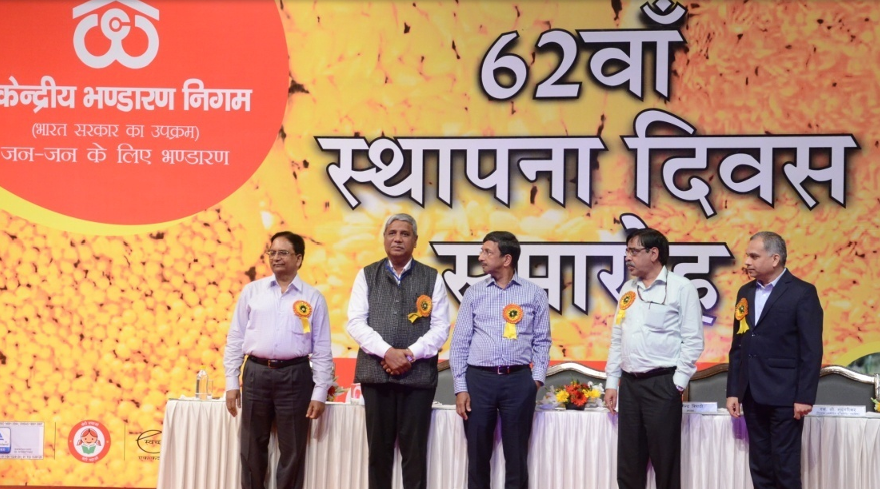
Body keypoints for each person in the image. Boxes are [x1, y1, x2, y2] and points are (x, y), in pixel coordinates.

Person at [346, 213, 451, 489]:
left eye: (405, 234)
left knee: (414, 455)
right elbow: (355, 322)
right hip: (376, 376)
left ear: (415, 240)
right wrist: (387, 352)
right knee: (378, 454)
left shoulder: (431, 277)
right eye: (392, 233)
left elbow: (441, 328)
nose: (397, 239)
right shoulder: (367, 274)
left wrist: (409, 354)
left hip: (417, 378)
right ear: (384, 238)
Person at [223, 231, 333, 489]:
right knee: (251, 446)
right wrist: (231, 381)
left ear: (299, 258)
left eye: (283, 253)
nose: (276, 258)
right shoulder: (253, 292)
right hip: (256, 373)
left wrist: (320, 391)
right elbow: (236, 337)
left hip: (295, 375)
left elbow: (322, 348)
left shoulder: (313, 298)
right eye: (272, 252)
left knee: (293, 448)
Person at [450, 231, 551, 489]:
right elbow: (460, 343)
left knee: (517, 457)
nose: (480, 257)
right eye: (481, 251)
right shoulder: (474, 293)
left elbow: (542, 341)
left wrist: (535, 381)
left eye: (487, 252)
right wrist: (461, 387)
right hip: (479, 381)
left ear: (506, 259)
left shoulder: (534, 294)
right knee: (477, 455)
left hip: (518, 381)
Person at [604, 228, 704, 489]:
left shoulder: (681, 288)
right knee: (629, 465)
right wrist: (612, 381)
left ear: (654, 253)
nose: (628, 257)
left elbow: (693, 340)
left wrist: (677, 384)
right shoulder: (628, 289)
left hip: (662, 385)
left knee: (665, 463)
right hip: (629, 385)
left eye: (633, 251)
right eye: (627, 251)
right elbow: (618, 336)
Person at [726, 231, 823, 489]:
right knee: (760, 467)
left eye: (754, 256)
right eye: (747, 255)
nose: (747, 261)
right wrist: (734, 390)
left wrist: (805, 396)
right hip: (751, 393)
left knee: (785, 468)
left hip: (786, 396)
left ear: (775, 259)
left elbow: (811, 350)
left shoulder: (802, 292)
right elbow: (738, 345)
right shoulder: (745, 292)